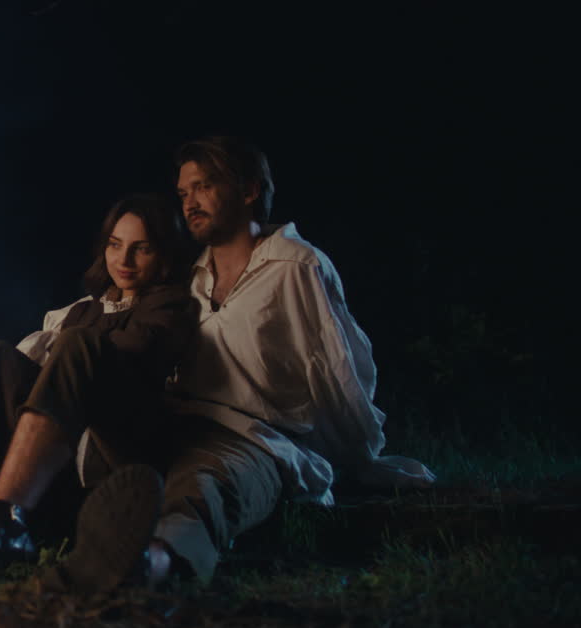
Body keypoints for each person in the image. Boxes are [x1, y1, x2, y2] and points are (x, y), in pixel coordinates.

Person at [127, 135, 437, 585]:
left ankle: (156, 564)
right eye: (183, 193)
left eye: (204, 186)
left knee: (204, 485)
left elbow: (337, 373)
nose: (189, 203)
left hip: (256, 439)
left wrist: (353, 458)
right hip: (183, 422)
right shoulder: (189, 281)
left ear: (249, 190)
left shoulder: (297, 267)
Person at [0, 192, 198, 588]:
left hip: (108, 451)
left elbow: (124, 362)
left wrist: (62, 354)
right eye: (116, 246)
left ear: (164, 254)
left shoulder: (172, 305)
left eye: (141, 249)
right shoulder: (87, 309)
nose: (124, 261)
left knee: (59, 347)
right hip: (55, 443)